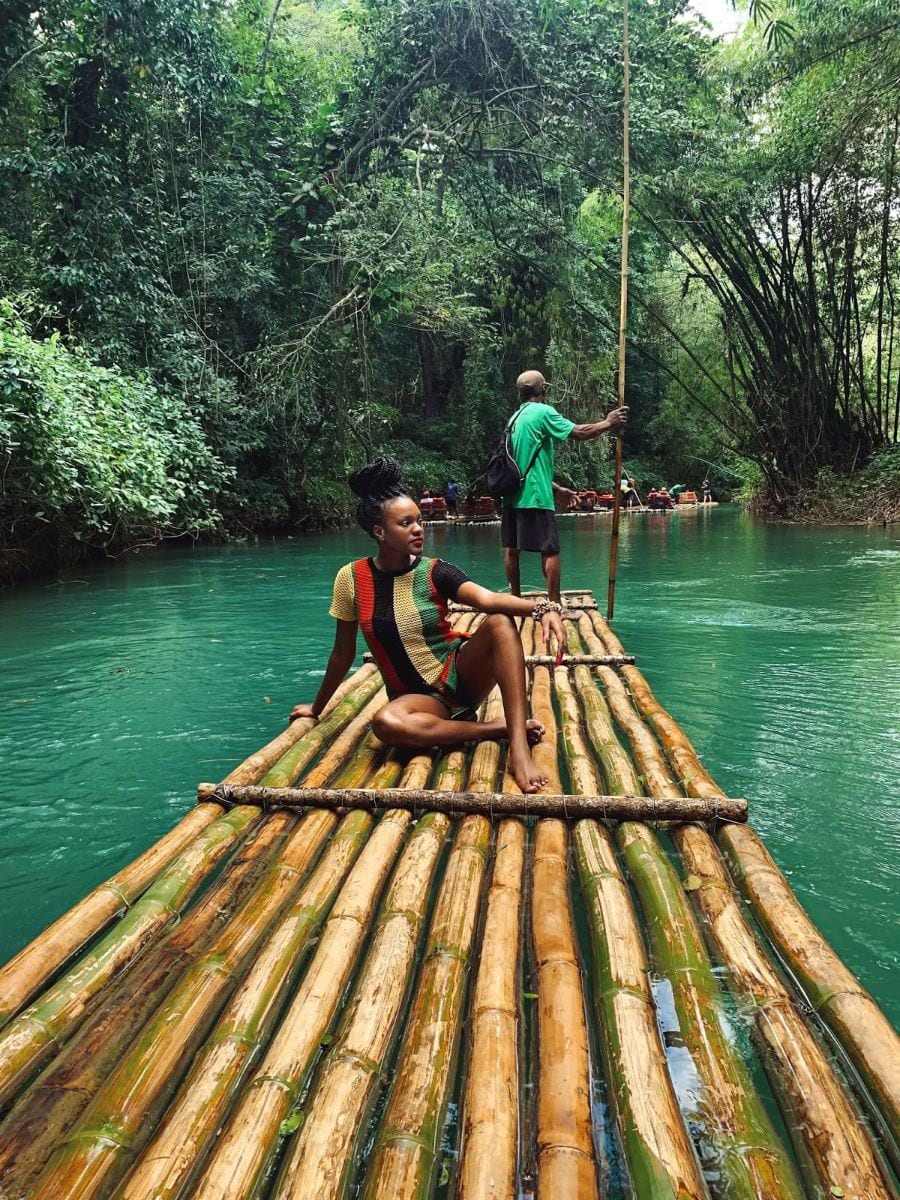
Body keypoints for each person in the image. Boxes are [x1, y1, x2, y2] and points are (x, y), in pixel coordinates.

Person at [290, 458, 568, 793]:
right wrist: (316, 708)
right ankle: (497, 729)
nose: (418, 529)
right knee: (386, 723)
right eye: (405, 523)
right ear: (380, 532)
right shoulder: (351, 579)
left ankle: (519, 751)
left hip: (460, 674)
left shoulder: (436, 571)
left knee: (499, 622)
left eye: (419, 521)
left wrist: (544, 607)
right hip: (418, 699)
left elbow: (488, 600)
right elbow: (341, 654)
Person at [502, 370, 627, 602]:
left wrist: (558, 490)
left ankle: (514, 600)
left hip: (511, 496)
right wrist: (609, 423)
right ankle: (555, 604)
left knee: (511, 548)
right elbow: (578, 433)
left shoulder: (514, 419)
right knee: (550, 549)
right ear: (544, 390)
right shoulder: (542, 412)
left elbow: (522, 466)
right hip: (536, 496)